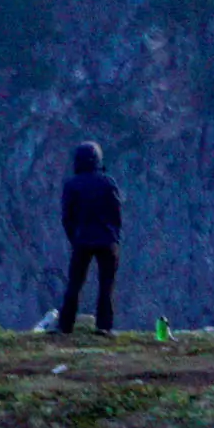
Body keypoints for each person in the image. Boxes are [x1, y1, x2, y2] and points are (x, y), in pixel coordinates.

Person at [57, 141, 124, 333]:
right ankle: (104, 327)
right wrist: (114, 236)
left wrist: (74, 238)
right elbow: (117, 213)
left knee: (75, 285)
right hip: (107, 240)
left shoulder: (72, 185)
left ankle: (65, 326)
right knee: (106, 285)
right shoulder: (108, 182)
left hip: (83, 240)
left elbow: (67, 217)